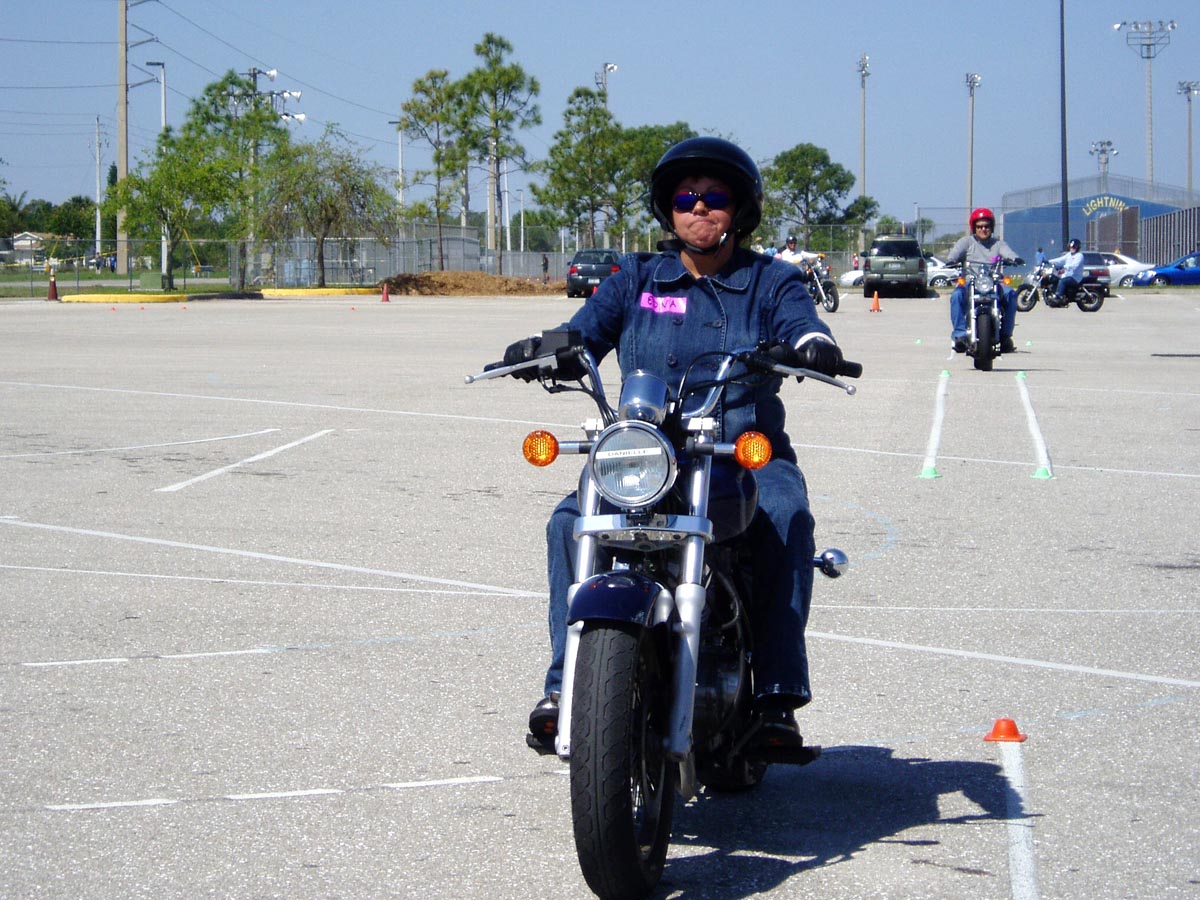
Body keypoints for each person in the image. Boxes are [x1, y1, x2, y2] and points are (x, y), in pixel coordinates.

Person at [504, 136, 845, 752]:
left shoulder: (771, 280)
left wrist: (811, 343)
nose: (699, 207)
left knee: (784, 514)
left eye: (715, 197)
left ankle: (776, 695)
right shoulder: (636, 277)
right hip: (645, 451)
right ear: (669, 209)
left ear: (740, 210)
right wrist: (545, 349)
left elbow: (801, 321)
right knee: (568, 523)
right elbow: (584, 333)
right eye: (686, 198)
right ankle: (564, 687)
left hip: (738, 451)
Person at [944, 207, 1023, 354]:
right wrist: (952, 260)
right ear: (974, 228)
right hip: (971, 281)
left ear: (991, 227)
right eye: (979, 226)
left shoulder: (998, 244)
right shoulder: (966, 242)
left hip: (993, 282)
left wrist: (1015, 259)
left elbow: (1008, 252)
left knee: (1011, 294)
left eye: (986, 226)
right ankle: (960, 335)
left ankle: (1006, 336)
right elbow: (954, 254)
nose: (983, 229)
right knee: (956, 296)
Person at [1047, 239, 1085, 305]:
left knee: (1063, 281)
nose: (1072, 248)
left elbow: (1074, 266)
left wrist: (1064, 267)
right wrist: (1048, 261)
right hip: (1067, 276)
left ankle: (1058, 297)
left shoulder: (1079, 256)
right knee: (1054, 278)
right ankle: (1054, 294)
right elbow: (1060, 260)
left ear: (1077, 247)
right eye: (1071, 247)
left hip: (1075, 278)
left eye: (1074, 247)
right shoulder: (1069, 255)